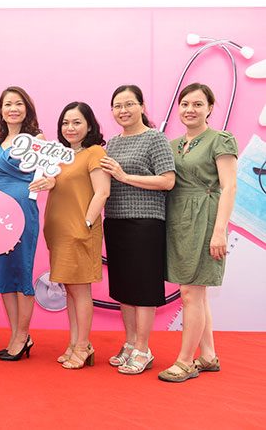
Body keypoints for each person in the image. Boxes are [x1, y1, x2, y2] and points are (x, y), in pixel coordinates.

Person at [159, 83, 238, 383]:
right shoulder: (173, 145)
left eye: (197, 104)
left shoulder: (220, 140)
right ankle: (207, 355)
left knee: (192, 292)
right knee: (196, 292)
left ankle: (185, 362)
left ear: (210, 108)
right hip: (179, 220)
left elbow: (229, 187)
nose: (190, 109)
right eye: (185, 104)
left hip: (205, 218)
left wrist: (219, 232)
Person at [100, 85, 175, 375]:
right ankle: (130, 343)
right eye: (117, 106)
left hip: (146, 222)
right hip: (115, 221)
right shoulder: (112, 144)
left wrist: (124, 176)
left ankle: (143, 348)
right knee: (124, 288)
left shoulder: (155, 138)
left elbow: (167, 181)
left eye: (129, 104)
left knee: (143, 288)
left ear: (142, 106)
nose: (123, 110)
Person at [40, 102, 110, 369]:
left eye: (77, 122)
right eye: (65, 123)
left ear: (89, 125)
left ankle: (83, 345)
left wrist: (87, 223)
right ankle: (74, 343)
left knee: (80, 291)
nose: (70, 128)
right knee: (70, 290)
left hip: (81, 232)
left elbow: (102, 192)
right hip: (59, 233)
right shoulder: (61, 156)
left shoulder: (94, 152)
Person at [0, 86, 50, 361]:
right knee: (4, 273)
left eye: (18, 104)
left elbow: (49, 174)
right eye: (7, 104)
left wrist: (49, 180)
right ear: (1, 111)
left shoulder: (37, 139)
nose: (13, 109)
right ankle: (17, 335)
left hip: (24, 210)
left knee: (22, 271)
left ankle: (22, 335)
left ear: (27, 109)